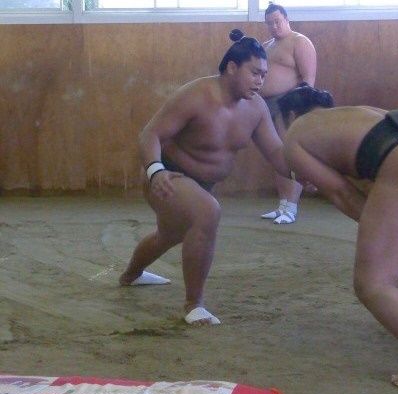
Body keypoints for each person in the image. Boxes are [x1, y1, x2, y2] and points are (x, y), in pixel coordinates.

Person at [280, 85, 398, 389]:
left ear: (290, 115)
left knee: (372, 285)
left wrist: (389, 235)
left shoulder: (295, 135)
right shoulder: (350, 115)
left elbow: (341, 193)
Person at [119, 29, 292, 326]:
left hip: (200, 186)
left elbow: (277, 153)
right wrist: (155, 170)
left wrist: (308, 171)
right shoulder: (196, 95)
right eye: (254, 73)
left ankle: (130, 275)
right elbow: (151, 134)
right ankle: (193, 305)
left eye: (264, 75)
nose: (260, 81)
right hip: (167, 177)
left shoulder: (257, 108)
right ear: (232, 67)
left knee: (168, 235)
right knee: (207, 212)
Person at [259, 2, 317, 224]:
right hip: (267, 105)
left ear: (286, 19)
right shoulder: (266, 45)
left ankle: (291, 207)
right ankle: (282, 205)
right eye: (269, 23)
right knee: (277, 155)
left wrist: (302, 110)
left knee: (291, 154)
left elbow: (308, 79)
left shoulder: (300, 42)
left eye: (277, 21)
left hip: (290, 104)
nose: (274, 26)